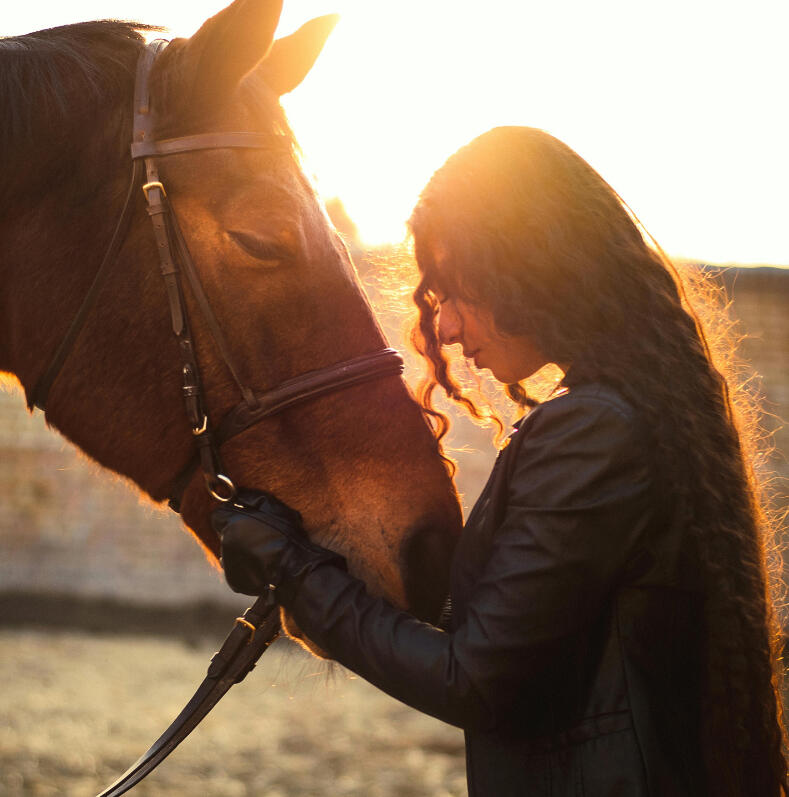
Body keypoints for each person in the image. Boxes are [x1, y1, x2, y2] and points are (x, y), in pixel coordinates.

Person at [212, 127, 788, 796]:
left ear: (531, 264)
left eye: (457, 290)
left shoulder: (594, 431)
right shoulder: (626, 413)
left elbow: (477, 678)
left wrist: (292, 568)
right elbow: (510, 641)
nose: (446, 328)